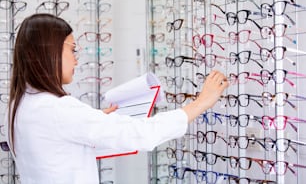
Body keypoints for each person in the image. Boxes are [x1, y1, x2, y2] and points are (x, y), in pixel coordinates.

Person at [5, 13, 228, 184]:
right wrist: (201, 103)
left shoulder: (20, 105)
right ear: (49, 51)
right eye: (72, 50)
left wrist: (93, 121)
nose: (76, 60)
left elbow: (57, 147)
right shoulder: (59, 110)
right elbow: (141, 134)